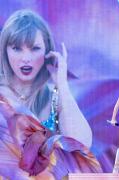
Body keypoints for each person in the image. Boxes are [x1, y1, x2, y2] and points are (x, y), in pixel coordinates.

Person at [0, 9, 102, 179]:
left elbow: (81, 144)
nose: (26, 58)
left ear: (47, 51)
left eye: (35, 48)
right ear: (5, 50)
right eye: (17, 48)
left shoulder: (55, 96)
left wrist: (61, 83)